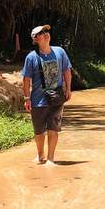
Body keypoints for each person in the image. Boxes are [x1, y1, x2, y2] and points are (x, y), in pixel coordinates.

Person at [22, 24, 72, 165]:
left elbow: (67, 71)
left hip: (56, 98)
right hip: (38, 100)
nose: (46, 34)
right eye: (42, 33)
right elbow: (26, 79)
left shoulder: (60, 52)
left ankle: (51, 159)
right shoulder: (31, 58)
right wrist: (27, 98)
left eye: (46, 31)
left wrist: (68, 89)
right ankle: (40, 155)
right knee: (39, 132)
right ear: (36, 39)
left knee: (53, 129)